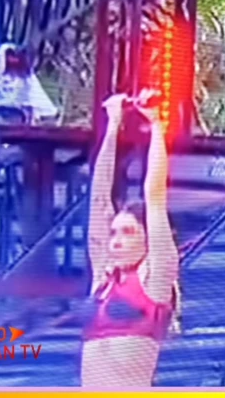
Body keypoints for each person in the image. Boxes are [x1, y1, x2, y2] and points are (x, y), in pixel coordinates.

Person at [80, 90, 180, 387]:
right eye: (113, 232)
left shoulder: (156, 278)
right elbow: (99, 197)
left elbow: (155, 195)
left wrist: (157, 125)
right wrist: (113, 126)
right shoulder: (104, 279)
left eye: (128, 232)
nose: (116, 240)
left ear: (148, 239)